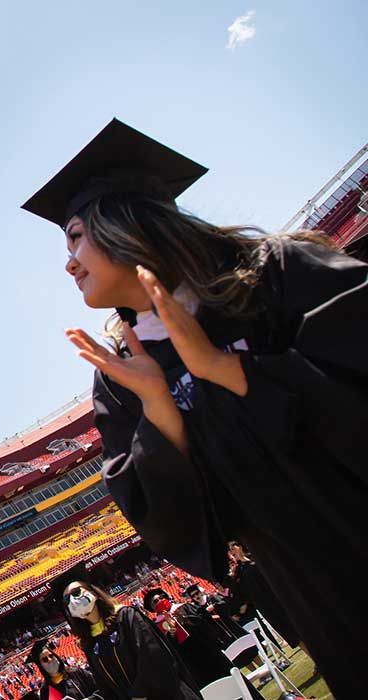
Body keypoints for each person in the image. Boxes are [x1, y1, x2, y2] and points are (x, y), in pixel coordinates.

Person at [21, 118, 367, 697]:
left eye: (77, 236)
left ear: (124, 223)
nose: (69, 262)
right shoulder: (125, 382)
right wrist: (160, 407)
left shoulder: (272, 276)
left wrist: (220, 368)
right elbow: (169, 520)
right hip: (318, 592)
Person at [48, 565, 201, 699]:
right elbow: (106, 687)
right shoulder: (90, 644)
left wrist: (139, 695)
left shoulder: (126, 616)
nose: (73, 600)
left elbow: (152, 655)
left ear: (92, 593)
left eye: (76, 593)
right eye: (67, 600)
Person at [26, 637, 99, 700]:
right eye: (45, 659)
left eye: (51, 656)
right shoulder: (47, 691)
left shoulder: (76, 672)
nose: (50, 660)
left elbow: (100, 688)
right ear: (41, 666)